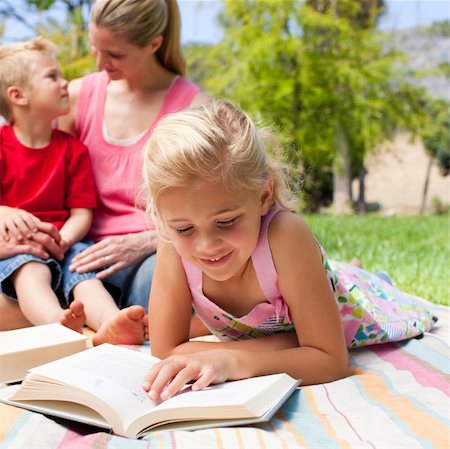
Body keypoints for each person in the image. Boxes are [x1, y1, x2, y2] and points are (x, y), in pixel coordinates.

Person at [140, 99, 437, 400]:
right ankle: (348, 268)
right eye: (184, 229)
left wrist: (231, 360)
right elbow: (165, 349)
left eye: (226, 221)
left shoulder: (285, 236)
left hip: (355, 303)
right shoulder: (171, 243)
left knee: (366, 287)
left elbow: (330, 359)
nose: (206, 245)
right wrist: (291, 344)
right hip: (296, 308)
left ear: (264, 195)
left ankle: (361, 275)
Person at [0, 37, 148, 345]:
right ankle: (56, 325)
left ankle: (110, 322)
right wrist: (4, 211)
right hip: (19, 248)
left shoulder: (72, 149)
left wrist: (64, 240)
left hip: (67, 242)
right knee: (30, 269)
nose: (65, 83)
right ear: (18, 95)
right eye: (52, 77)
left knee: (86, 274)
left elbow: (82, 213)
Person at [58, 0, 202, 311]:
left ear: (154, 44)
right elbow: (28, 166)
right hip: (79, 249)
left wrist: (149, 242)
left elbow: (211, 206)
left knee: (154, 299)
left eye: (115, 55)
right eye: (95, 48)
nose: (99, 64)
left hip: (153, 252)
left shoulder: (192, 108)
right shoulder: (74, 97)